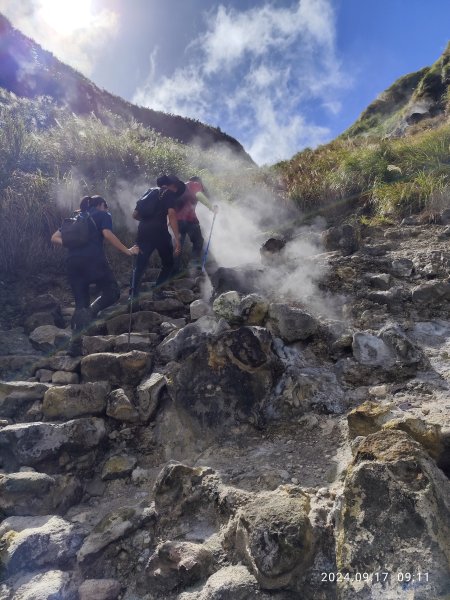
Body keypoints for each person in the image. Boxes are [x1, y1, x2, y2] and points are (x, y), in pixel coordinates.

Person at [51, 195, 139, 354]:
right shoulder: (102, 215)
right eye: (106, 206)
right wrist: (127, 250)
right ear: (101, 205)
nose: (107, 209)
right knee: (112, 291)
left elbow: (54, 238)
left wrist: (73, 243)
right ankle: (91, 312)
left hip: (73, 263)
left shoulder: (74, 219)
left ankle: (75, 346)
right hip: (93, 260)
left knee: (80, 305)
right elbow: (107, 234)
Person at [131, 174, 185, 297]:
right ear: (172, 186)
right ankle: (157, 291)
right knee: (168, 263)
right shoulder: (169, 193)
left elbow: (134, 215)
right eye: (176, 188)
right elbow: (171, 215)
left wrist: (148, 222)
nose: (176, 191)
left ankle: (132, 297)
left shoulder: (148, 192)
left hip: (143, 232)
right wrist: (177, 239)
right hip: (160, 233)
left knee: (139, 266)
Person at [173, 176, 219, 275]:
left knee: (178, 245)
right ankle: (193, 267)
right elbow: (199, 195)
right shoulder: (194, 185)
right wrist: (211, 208)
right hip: (190, 220)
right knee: (198, 241)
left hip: (176, 221)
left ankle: (174, 270)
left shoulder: (181, 186)